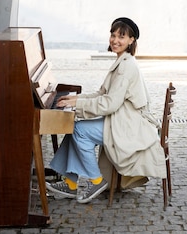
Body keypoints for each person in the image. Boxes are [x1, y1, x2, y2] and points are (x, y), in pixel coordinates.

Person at [46, 17, 166, 204]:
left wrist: (77, 106)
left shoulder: (126, 67)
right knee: (74, 127)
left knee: (78, 130)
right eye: (113, 35)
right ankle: (70, 183)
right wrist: (75, 99)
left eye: (122, 37)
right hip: (122, 119)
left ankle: (97, 180)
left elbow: (109, 103)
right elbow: (102, 92)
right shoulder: (123, 61)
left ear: (131, 40)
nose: (115, 40)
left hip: (128, 125)